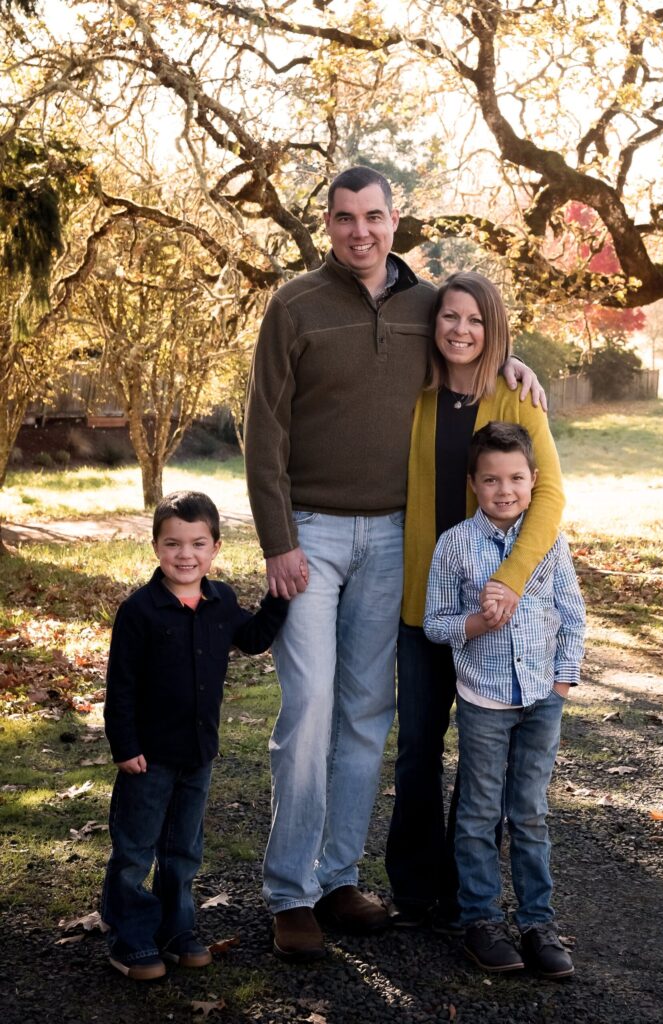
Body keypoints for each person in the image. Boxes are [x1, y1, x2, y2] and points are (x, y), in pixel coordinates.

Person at [243, 166, 543, 962]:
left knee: (363, 714)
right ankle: (289, 893)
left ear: (395, 219)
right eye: (343, 219)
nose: (359, 232)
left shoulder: (422, 305)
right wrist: (277, 539)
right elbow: (263, 427)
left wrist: (518, 366)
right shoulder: (295, 304)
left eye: (372, 216)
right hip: (309, 535)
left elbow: (470, 342)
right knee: (306, 711)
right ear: (328, 225)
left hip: (391, 537)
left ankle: (338, 878)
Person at [386, 272, 566, 933]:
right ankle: (413, 889)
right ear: (434, 325)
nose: (461, 330)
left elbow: (547, 496)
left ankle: (471, 892)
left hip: (499, 613)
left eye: (476, 321)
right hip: (425, 605)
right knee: (417, 747)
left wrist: (510, 581)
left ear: (495, 330)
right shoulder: (416, 394)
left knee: (483, 755)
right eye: (449, 317)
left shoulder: (517, 396)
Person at [102, 490, 287, 981]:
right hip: (148, 756)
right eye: (173, 544)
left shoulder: (220, 600)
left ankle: (176, 928)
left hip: (198, 753)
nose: (186, 555)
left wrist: (279, 596)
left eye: (198, 543)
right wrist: (125, 746)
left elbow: (252, 640)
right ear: (156, 548)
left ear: (216, 549)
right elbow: (120, 685)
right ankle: (131, 936)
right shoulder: (139, 611)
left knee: (183, 849)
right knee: (135, 848)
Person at [423, 422, 585, 977]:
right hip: (483, 700)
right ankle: (481, 920)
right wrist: (474, 623)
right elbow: (434, 623)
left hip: (542, 698)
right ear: (473, 483)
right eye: (491, 479)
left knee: (531, 812)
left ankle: (538, 922)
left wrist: (563, 684)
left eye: (516, 478)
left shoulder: (548, 541)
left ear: (534, 481)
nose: (505, 490)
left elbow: (572, 614)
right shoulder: (455, 546)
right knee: (478, 812)